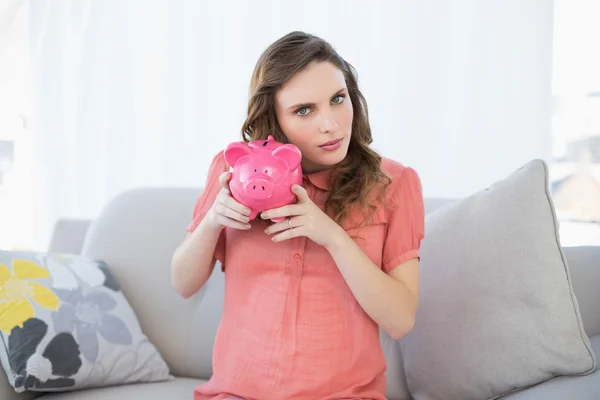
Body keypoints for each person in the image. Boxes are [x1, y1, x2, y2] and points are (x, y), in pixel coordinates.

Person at [170, 31, 425, 400]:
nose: (331, 124)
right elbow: (183, 283)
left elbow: (401, 320)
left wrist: (333, 236)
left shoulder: (394, 183)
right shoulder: (234, 171)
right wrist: (212, 221)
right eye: (304, 110)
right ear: (273, 119)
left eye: (338, 99)